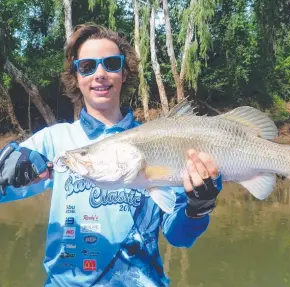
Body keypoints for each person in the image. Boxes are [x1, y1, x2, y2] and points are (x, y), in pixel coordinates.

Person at [0, 24, 222, 287]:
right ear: (76, 75)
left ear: (124, 72)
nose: (100, 74)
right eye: (87, 66)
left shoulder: (159, 142)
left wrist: (198, 208)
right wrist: (7, 168)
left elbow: (179, 237)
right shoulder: (53, 141)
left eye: (111, 63)